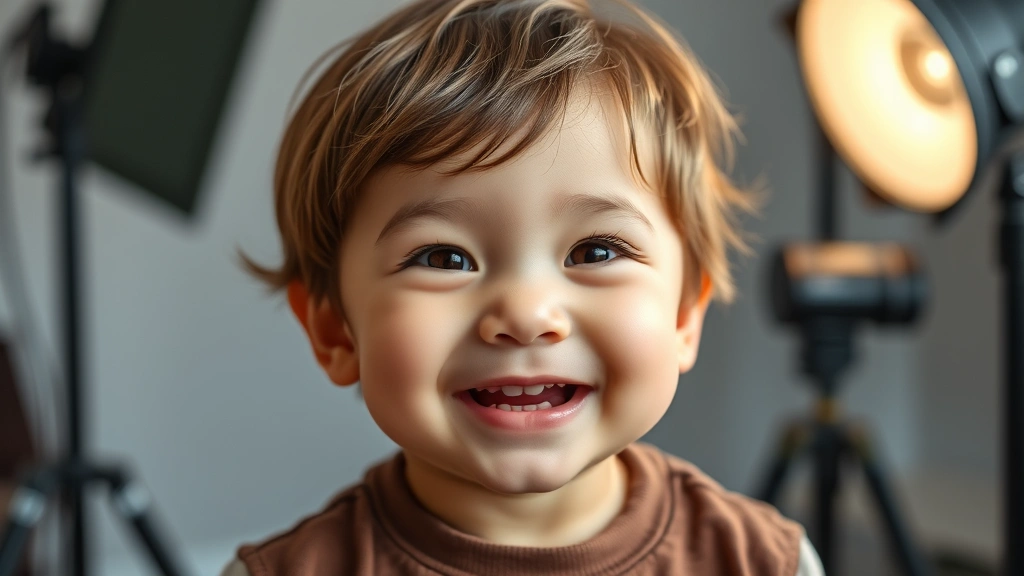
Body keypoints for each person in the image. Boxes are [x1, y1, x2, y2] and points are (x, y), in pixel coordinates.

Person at [223, 0, 824, 573]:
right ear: (334, 331)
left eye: (596, 252)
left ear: (684, 317)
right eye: (444, 257)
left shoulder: (766, 563)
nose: (528, 313)